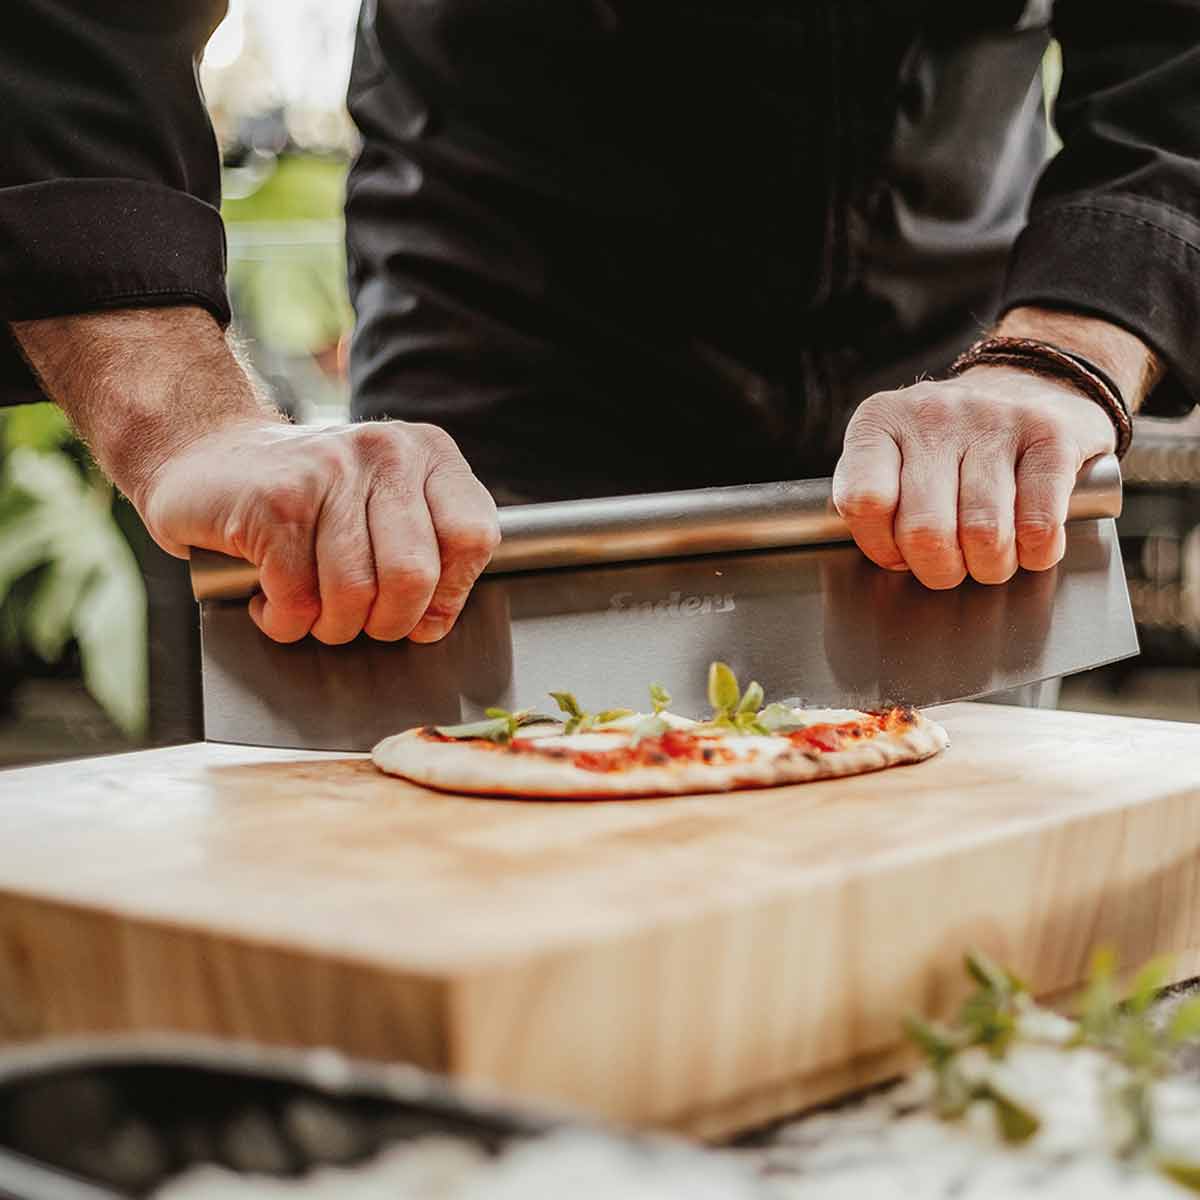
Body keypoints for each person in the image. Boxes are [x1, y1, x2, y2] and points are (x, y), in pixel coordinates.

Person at [2, 2, 1196, 647]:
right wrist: (186, 421)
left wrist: (1063, 349)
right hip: (500, 392)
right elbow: (75, 27)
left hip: (956, 408)